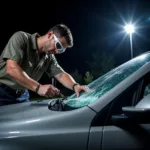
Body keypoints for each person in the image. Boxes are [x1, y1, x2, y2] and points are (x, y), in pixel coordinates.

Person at [0, 24, 89, 106]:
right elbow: (11, 68)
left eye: (61, 50)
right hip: (2, 91)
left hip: (22, 94)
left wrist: (75, 86)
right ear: (50, 35)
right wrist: (38, 88)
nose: (57, 51)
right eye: (58, 46)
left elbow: (61, 75)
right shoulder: (21, 38)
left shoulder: (49, 57)